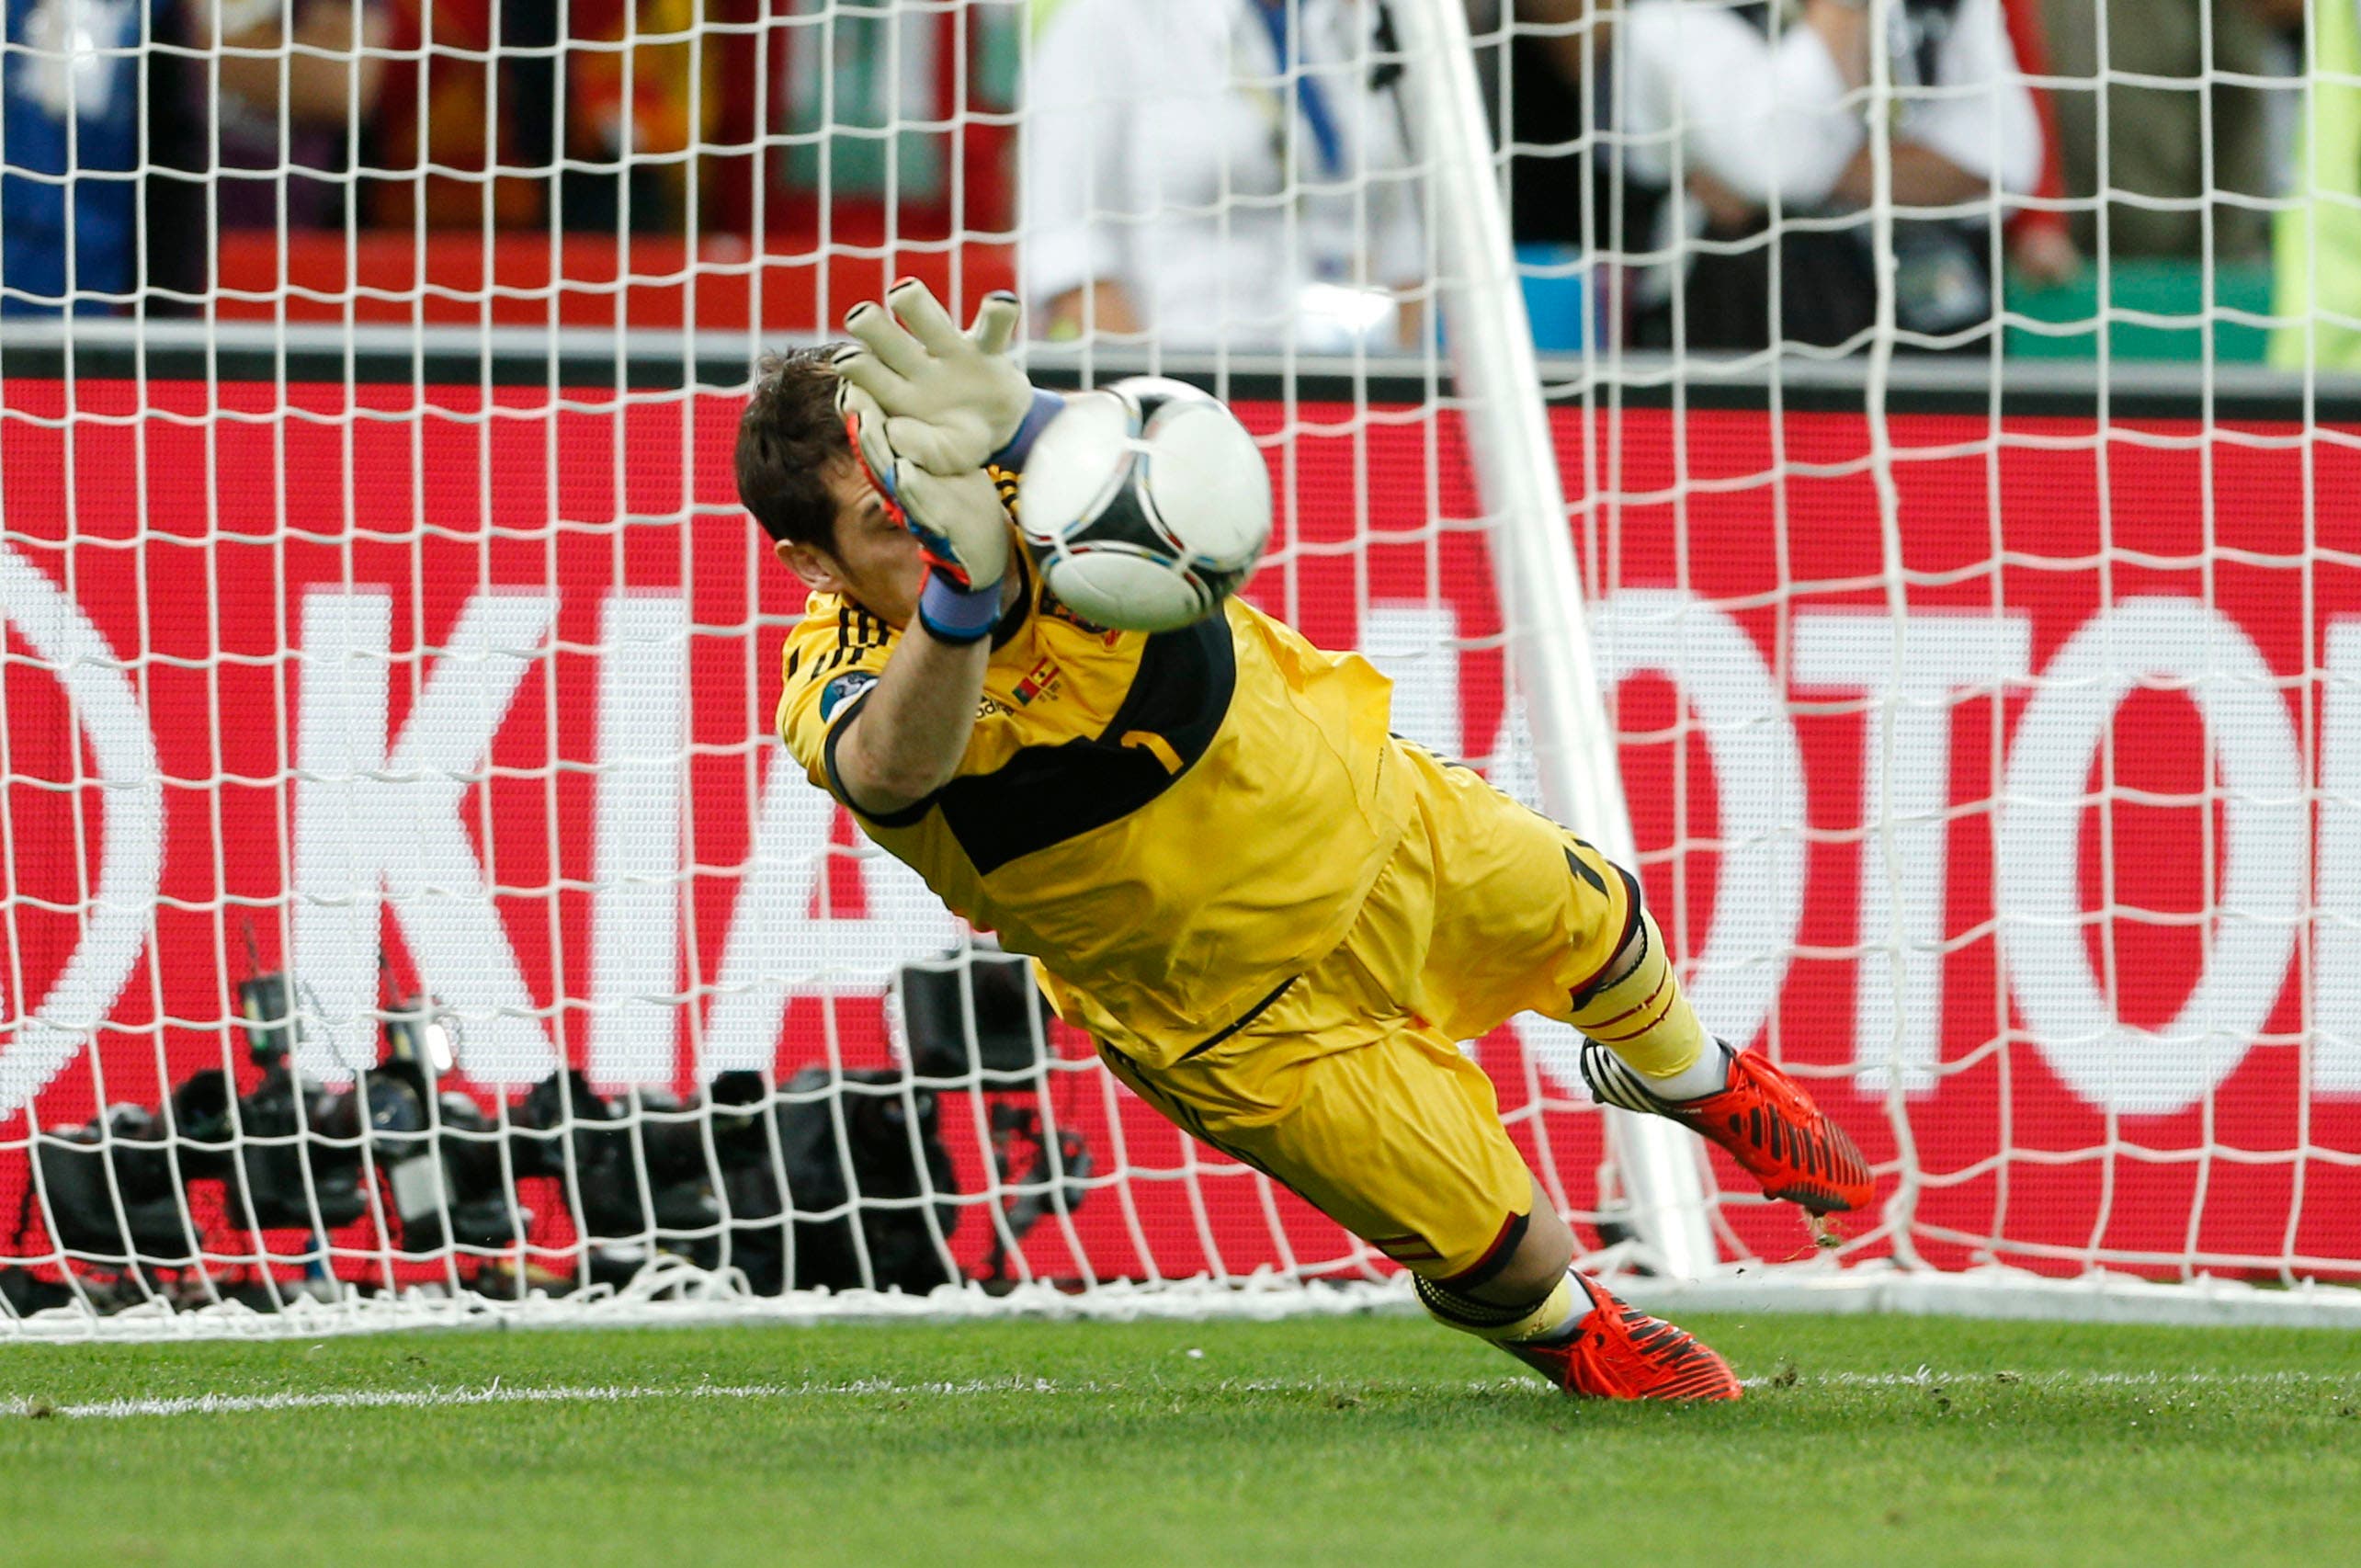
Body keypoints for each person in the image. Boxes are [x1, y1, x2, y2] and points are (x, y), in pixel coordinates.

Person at [734, 278, 1875, 1400]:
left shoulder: (1046, 482)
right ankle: (1572, 1329)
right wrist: (961, 589)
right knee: (1512, 1250)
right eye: (889, 516)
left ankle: (1694, 1076)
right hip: (1235, 1012)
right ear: (814, 565)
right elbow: (894, 768)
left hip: (1375, 818)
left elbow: (1204, 475)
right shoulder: (840, 674)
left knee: (1602, 924)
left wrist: (1034, 423)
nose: (931, 507)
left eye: (923, 476)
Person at [1607, 0, 2042, 352]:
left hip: (1935, 313)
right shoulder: (1671, 15)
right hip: (1748, 337)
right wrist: (1841, 11)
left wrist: (1778, 178)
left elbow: (2006, 159)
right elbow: (1775, 161)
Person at [1020, 0, 1423, 350]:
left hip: (1348, 384)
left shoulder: (1349, 26)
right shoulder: (1106, 23)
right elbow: (1068, 256)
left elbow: (1405, 237)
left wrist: (1397, 390)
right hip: (1191, 384)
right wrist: (1161, 409)